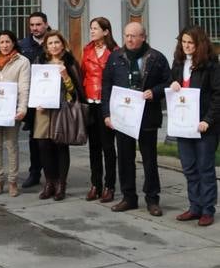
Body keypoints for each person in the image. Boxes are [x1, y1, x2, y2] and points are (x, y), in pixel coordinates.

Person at [102, 21, 170, 216]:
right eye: (126, 36)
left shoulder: (156, 58)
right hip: (123, 117)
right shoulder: (116, 57)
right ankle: (129, 197)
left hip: (147, 116)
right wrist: (106, 114)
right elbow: (106, 86)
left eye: (133, 36)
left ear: (143, 37)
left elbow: (169, 81)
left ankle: (152, 199)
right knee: (124, 158)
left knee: (149, 159)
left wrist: (155, 92)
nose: (129, 39)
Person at [169, 26, 220, 227]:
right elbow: (172, 85)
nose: (186, 46)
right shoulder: (178, 62)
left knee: (205, 168)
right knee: (189, 168)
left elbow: (217, 95)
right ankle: (195, 207)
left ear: (199, 44)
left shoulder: (211, 65)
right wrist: (172, 83)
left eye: (190, 42)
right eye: (183, 42)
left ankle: (208, 210)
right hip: (184, 124)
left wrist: (208, 120)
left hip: (204, 126)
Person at [34, 30, 85, 202]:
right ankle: (49, 182)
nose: (54, 46)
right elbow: (34, 85)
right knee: (43, 146)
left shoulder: (69, 62)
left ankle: (61, 184)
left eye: (57, 42)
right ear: (46, 46)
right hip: (43, 111)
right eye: (50, 43)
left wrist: (65, 76)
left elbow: (75, 91)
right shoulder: (40, 61)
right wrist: (36, 101)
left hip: (62, 110)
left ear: (62, 44)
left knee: (60, 146)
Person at [0, 31, 30, 197]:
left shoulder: (22, 61)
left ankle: (12, 181)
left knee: (11, 145)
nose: (4, 45)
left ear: (13, 43)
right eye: (1, 42)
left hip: (12, 109)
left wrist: (22, 108)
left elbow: (24, 87)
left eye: (8, 42)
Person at [80, 17, 118, 203]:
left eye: (96, 28)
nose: (92, 31)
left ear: (106, 31)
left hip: (106, 102)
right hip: (90, 100)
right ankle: (95, 184)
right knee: (94, 146)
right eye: (91, 28)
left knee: (108, 146)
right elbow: (82, 73)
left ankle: (109, 185)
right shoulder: (87, 49)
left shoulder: (115, 52)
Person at [18, 11, 50, 189]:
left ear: (45, 24)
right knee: (34, 137)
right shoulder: (23, 45)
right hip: (32, 97)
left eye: (38, 24)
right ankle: (34, 172)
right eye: (32, 25)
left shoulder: (54, 41)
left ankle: (54, 174)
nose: (35, 28)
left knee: (53, 137)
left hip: (52, 97)